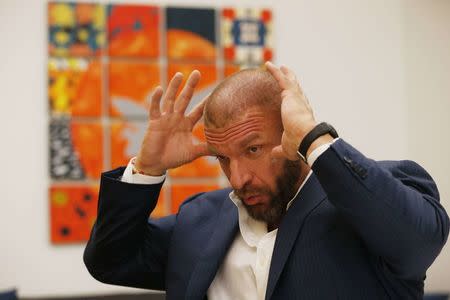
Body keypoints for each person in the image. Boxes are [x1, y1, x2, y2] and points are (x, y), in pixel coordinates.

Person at [84, 62, 449, 299]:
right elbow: (109, 261)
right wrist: (147, 168)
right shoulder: (199, 220)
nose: (239, 178)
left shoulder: (370, 197)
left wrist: (314, 137)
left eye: (254, 149)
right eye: (223, 159)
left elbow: (418, 242)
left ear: (290, 131)